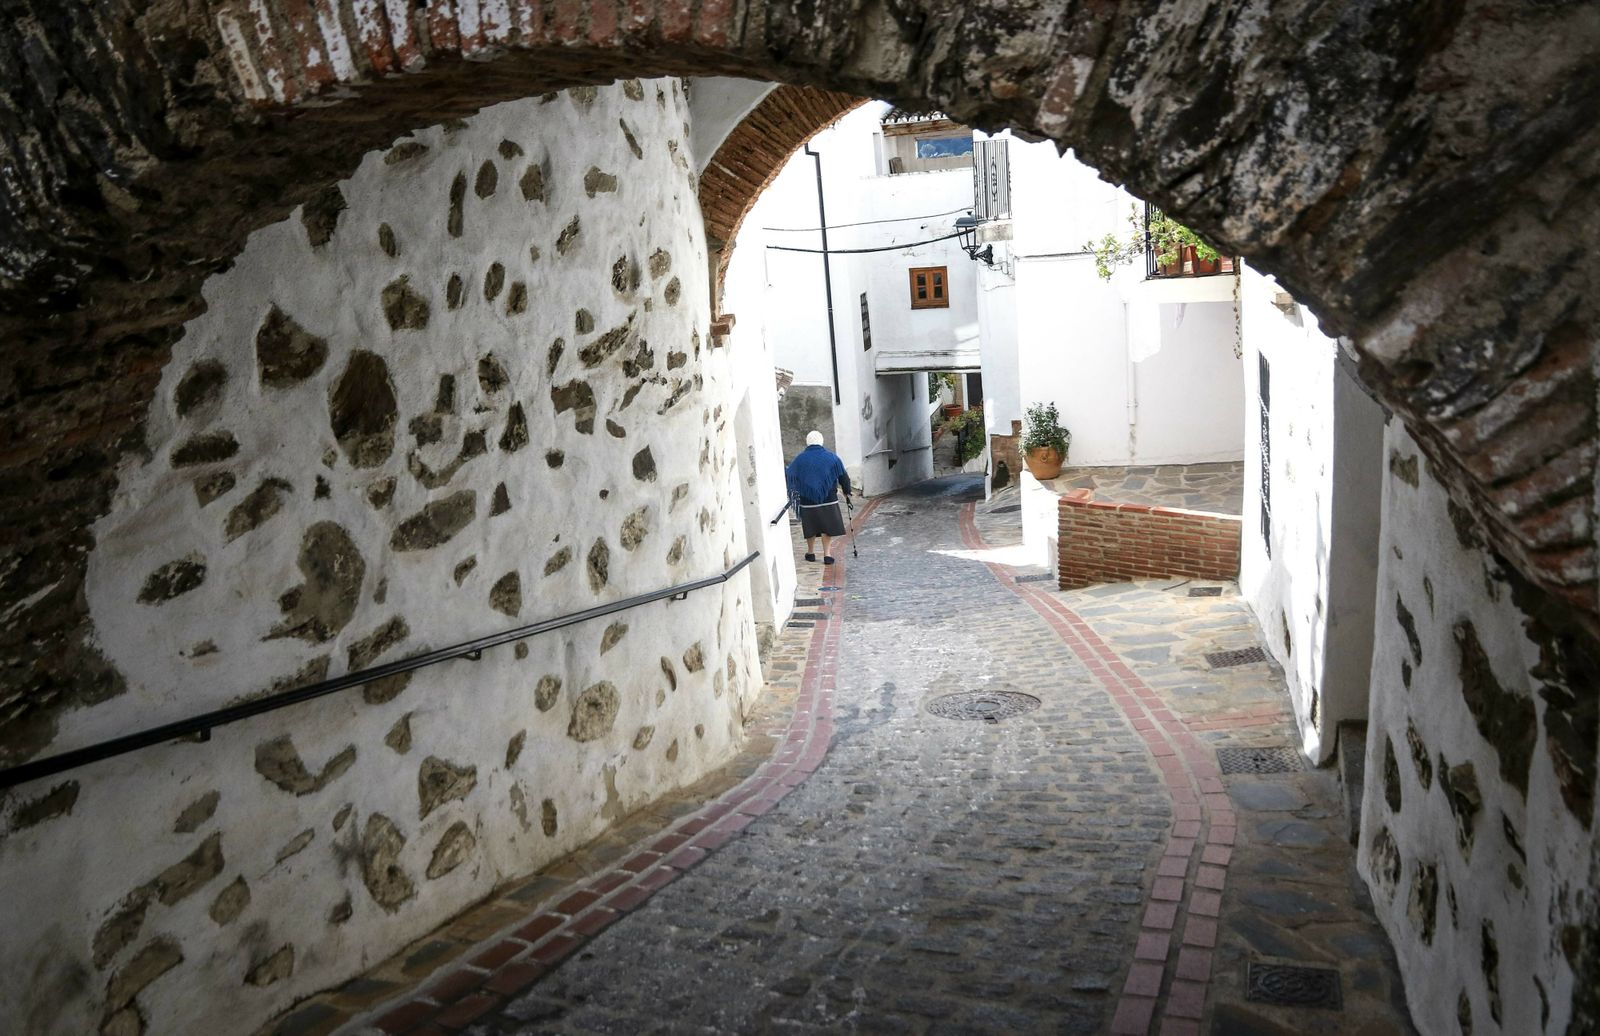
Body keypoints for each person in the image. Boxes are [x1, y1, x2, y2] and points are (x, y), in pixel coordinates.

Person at [785, 430, 853, 564]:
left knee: (810, 527)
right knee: (827, 527)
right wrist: (847, 492)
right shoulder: (832, 458)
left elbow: (789, 475)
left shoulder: (800, 459)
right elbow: (844, 477)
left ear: (807, 442)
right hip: (828, 499)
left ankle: (810, 553)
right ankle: (827, 555)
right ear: (821, 441)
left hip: (807, 500)